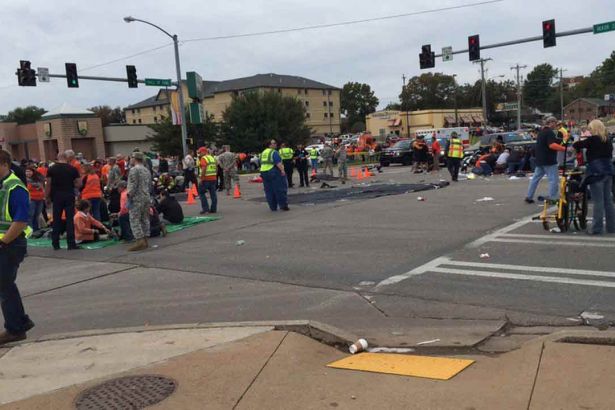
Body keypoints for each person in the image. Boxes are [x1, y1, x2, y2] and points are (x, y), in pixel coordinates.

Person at [0, 150, 35, 346]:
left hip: (11, 244)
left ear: (4, 164)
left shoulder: (15, 187)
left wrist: (3, 242)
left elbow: (20, 221)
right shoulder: (4, 186)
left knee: (5, 286)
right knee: (6, 286)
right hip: (7, 243)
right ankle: (19, 322)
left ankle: (15, 328)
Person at [573, 119, 615, 235]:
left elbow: (577, 145)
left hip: (596, 172)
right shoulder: (607, 140)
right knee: (608, 201)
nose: (589, 131)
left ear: (594, 129)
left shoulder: (592, 140)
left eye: (590, 129)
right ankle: (612, 227)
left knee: (598, 202)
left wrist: (576, 143)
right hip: (609, 171)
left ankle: (597, 228)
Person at [525, 117, 568, 204]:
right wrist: (564, 149)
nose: (556, 125)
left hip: (540, 159)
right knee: (553, 179)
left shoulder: (541, 132)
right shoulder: (549, 132)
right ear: (551, 123)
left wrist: (563, 140)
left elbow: (552, 141)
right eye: (555, 123)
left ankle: (529, 196)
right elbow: (551, 145)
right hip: (549, 160)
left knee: (535, 179)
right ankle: (553, 197)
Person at [46, 152, 81, 250]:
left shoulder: (52, 169)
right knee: (70, 219)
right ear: (67, 158)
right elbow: (79, 184)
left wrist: (47, 197)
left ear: (57, 158)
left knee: (56, 219)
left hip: (56, 196)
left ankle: (55, 243)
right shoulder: (72, 169)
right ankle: (71, 243)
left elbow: (48, 184)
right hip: (69, 195)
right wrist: (71, 184)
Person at [126, 151, 151, 251]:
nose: (130, 160)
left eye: (131, 158)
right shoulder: (146, 170)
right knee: (144, 218)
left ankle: (139, 240)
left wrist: (129, 195)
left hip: (137, 197)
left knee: (134, 219)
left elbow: (133, 184)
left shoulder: (134, 170)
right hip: (146, 196)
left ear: (135, 159)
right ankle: (145, 239)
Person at [260, 139, 289, 211]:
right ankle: (283, 206)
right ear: (270, 145)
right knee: (280, 189)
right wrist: (282, 171)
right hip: (273, 171)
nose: (276, 144)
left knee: (269, 190)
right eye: (274, 143)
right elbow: (278, 163)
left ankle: (273, 207)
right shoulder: (274, 152)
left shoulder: (263, 152)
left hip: (264, 172)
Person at [197, 147, 218, 215]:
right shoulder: (212, 158)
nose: (199, 154)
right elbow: (216, 168)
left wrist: (201, 178)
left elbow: (204, 168)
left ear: (203, 151)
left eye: (200, 152)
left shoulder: (204, 158)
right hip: (213, 179)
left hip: (206, 179)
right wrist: (215, 176)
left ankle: (206, 210)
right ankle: (213, 209)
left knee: (201, 193)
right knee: (213, 194)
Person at [26, 166, 45, 231]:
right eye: (27, 171)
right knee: (30, 215)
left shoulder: (38, 179)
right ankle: (30, 230)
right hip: (31, 199)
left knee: (37, 214)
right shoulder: (25, 180)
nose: (28, 173)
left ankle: (36, 229)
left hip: (40, 199)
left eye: (29, 171)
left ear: (33, 172)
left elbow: (42, 187)